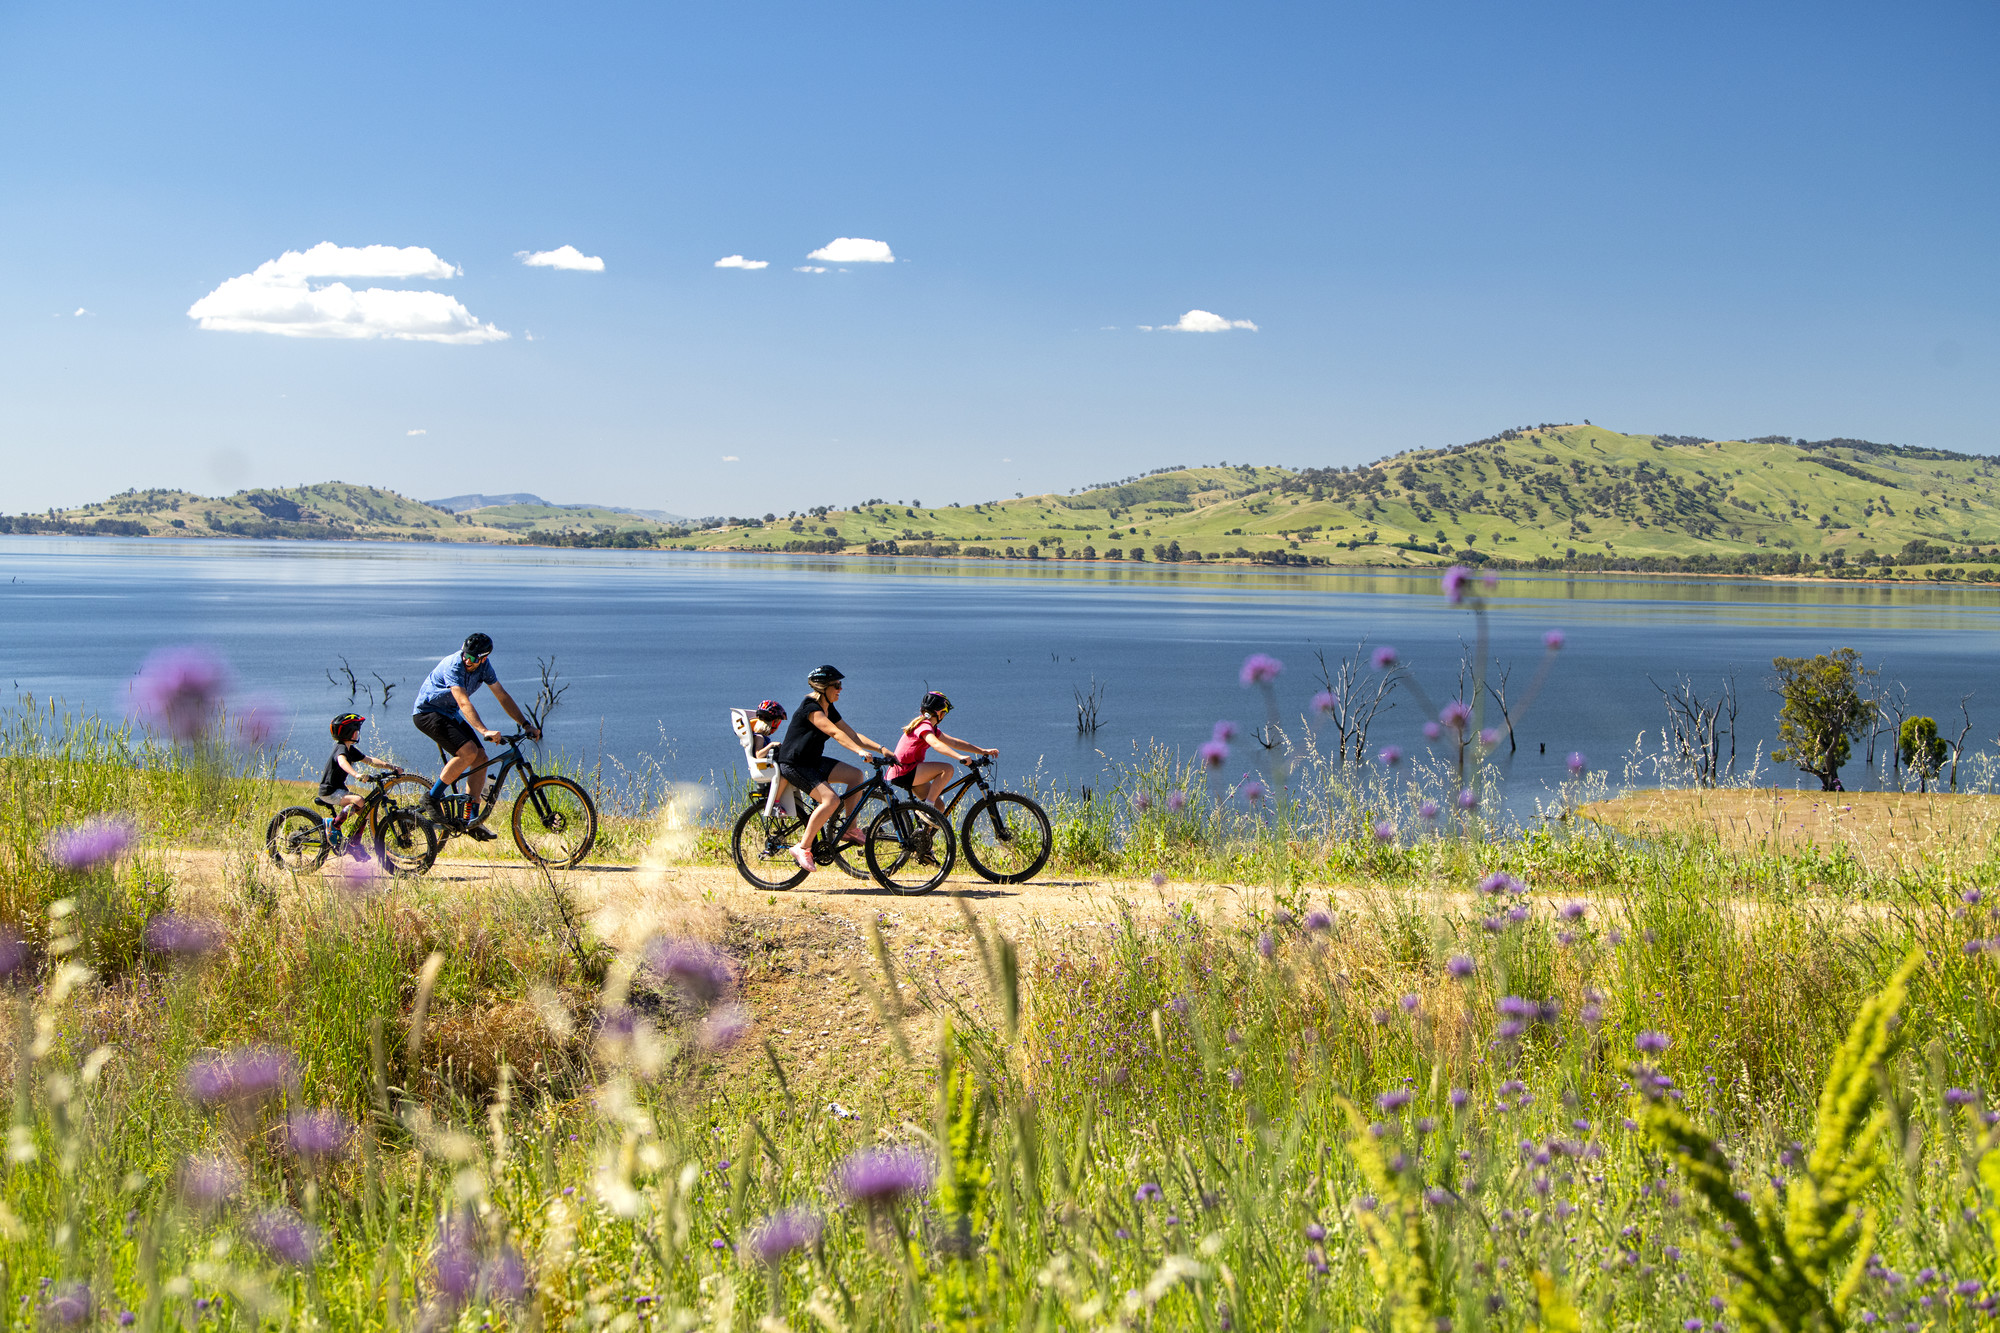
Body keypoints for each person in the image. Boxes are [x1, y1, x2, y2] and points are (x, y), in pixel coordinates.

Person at [411, 632, 540, 838]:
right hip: (428, 712)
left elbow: (502, 695)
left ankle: (471, 820)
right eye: (466, 655)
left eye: (473, 659)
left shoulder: (485, 667)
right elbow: (463, 702)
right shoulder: (454, 665)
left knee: (481, 759)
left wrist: (525, 724)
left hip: (449, 713)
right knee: (468, 752)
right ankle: (431, 798)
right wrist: (484, 730)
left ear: (484, 658)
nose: (467, 660)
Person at [776, 664, 891, 871]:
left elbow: (851, 734)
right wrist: (858, 752)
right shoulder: (810, 708)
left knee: (856, 775)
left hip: (812, 761)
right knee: (830, 800)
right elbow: (836, 733)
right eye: (836, 685)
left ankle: (850, 829)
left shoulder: (829, 708)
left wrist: (881, 749)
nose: (840, 689)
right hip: (794, 764)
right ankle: (803, 847)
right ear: (823, 687)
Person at [889, 691, 996, 810]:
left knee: (939, 807)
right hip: (905, 771)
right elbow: (935, 744)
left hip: (907, 771)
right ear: (939, 713)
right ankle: (928, 809)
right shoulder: (924, 725)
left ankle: (925, 826)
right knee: (947, 769)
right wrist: (959, 757)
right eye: (944, 713)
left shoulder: (930, 727)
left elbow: (955, 742)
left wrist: (982, 751)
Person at [320, 712, 393, 859]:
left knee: (364, 812)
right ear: (349, 732)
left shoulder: (350, 749)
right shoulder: (341, 749)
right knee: (359, 800)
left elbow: (370, 760)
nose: (357, 733)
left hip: (339, 790)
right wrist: (356, 774)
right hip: (329, 792)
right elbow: (342, 762)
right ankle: (333, 825)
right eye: (356, 731)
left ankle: (354, 844)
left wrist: (391, 767)